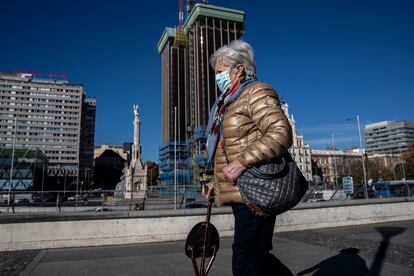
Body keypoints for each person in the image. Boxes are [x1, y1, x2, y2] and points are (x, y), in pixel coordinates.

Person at [203, 40, 293, 275]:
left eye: (221, 72)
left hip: (256, 189)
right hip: (241, 190)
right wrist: (215, 181)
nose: (217, 78)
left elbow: (280, 133)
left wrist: (241, 162)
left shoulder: (256, 92)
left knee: (245, 262)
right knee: (256, 257)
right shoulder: (226, 104)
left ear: (239, 69)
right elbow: (228, 148)